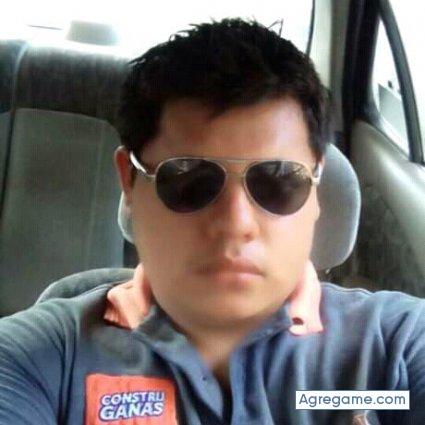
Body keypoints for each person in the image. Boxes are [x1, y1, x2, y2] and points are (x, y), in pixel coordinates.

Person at [0, 18, 424, 425]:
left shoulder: (397, 347)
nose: (236, 223)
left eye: (278, 181)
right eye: (189, 180)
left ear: (317, 189)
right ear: (129, 182)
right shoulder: (38, 359)